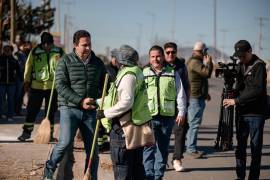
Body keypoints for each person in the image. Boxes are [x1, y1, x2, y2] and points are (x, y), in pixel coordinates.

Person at [43, 30, 106, 180]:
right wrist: (79, 101)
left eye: (89, 45)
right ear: (75, 45)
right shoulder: (65, 61)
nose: (88, 48)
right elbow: (61, 86)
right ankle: (50, 168)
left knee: (93, 151)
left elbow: (105, 85)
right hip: (69, 108)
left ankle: (90, 176)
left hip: (90, 111)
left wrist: (100, 101)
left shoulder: (98, 63)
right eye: (84, 45)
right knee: (64, 143)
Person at [96, 45, 154, 180]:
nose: (114, 59)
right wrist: (97, 102)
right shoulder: (135, 71)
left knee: (123, 169)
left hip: (123, 128)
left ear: (121, 60)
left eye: (116, 56)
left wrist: (106, 113)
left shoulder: (127, 76)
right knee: (136, 168)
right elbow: (114, 98)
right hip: (134, 126)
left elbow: (126, 102)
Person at [223, 40, 267, 180]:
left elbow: (258, 90)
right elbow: (239, 88)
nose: (241, 58)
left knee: (255, 149)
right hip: (241, 113)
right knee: (240, 148)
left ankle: (253, 178)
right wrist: (232, 90)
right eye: (239, 56)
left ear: (250, 51)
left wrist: (236, 100)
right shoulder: (240, 66)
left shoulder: (259, 66)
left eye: (243, 55)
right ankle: (240, 177)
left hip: (255, 114)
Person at [143, 45, 187, 180]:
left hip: (167, 119)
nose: (155, 59)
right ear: (149, 58)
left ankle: (158, 177)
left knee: (162, 150)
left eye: (158, 56)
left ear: (163, 57)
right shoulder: (143, 73)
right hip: (148, 118)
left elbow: (181, 94)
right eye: (153, 56)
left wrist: (182, 112)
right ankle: (149, 177)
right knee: (148, 149)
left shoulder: (173, 73)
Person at [17, 32, 64, 142]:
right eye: (45, 44)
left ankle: (50, 134)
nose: (47, 46)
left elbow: (66, 65)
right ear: (42, 43)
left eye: (49, 44)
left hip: (53, 87)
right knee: (32, 110)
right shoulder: (35, 52)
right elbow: (28, 67)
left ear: (52, 43)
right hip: (36, 86)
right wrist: (27, 82)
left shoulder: (59, 51)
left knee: (51, 111)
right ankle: (26, 133)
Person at [164, 42, 190, 172]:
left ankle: (177, 159)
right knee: (163, 134)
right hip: (163, 107)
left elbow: (186, 86)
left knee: (180, 132)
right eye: (168, 52)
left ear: (176, 52)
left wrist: (184, 108)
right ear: (164, 53)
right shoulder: (159, 64)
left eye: (173, 52)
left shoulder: (181, 66)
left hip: (178, 106)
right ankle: (162, 160)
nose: (170, 54)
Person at [186, 41, 213, 158]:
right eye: (205, 51)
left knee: (193, 123)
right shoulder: (195, 62)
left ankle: (190, 146)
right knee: (194, 124)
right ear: (202, 51)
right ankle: (191, 149)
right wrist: (209, 63)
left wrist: (205, 94)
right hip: (195, 98)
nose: (206, 53)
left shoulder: (194, 61)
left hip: (197, 96)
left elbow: (200, 80)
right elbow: (206, 73)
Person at [0, 45, 22, 121]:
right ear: (3, 50)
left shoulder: (14, 60)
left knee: (11, 99)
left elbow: (19, 71)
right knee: (1, 99)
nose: (7, 51)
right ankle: (1, 114)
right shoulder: (0, 59)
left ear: (11, 51)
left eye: (8, 50)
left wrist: (22, 79)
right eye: (5, 50)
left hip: (12, 83)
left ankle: (10, 115)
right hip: (1, 83)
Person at [14, 40, 32, 115]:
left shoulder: (25, 54)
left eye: (25, 46)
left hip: (25, 77)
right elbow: (18, 67)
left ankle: (18, 111)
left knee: (21, 95)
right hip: (19, 77)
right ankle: (14, 111)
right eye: (23, 45)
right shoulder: (17, 54)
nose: (25, 47)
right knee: (17, 95)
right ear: (20, 46)